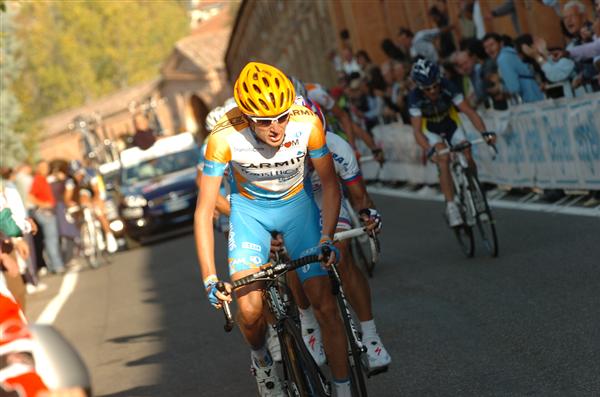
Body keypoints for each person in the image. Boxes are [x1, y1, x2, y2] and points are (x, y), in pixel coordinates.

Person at [194, 62, 351, 396]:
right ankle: (261, 359)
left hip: (298, 210)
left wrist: (327, 236)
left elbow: (329, 182)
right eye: (265, 122)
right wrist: (210, 276)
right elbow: (204, 209)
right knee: (249, 310)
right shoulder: (223, 136)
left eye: (282, 116)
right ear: (248, 118)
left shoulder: (306, 123)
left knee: (324, 303)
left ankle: (344, 388)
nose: (277, 128)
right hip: (250, 216)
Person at [408, 59, 496, 227]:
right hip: (431, 130)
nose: (433, 91)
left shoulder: (448, 86)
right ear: (420, 88)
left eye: (435, 86)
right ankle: (451, 206)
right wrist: (429, 150)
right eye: (428, 89)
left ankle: (476, 191)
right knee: (443, 159)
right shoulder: (414, 97)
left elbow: (469, 112)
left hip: (451, 124)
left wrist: (484, 133)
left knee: (467, 151)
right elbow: (417, 132)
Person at [64, 160, 118, 254]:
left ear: (82, 170)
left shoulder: (89, 173)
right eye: (75, 174)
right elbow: (67, 197)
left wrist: (95, 202)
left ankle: (109, 235)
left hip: (96, 190)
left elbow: (96, 191)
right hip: (84, 192)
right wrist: (70, 203)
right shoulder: (70, 180)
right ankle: (87, 236)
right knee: (81, 201)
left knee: (99, 211)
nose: (77, 176)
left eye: (79, 173)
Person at [28, 161, 66, 275]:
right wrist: (43, 204)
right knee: (51, 240)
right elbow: (30, 196)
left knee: (50, 239)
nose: (46, 169)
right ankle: (57, 265)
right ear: (38, 168)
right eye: (43, 167)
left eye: (46, 166)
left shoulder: (44, 178)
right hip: (45, 213)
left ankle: (53, 265)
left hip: (48, 212)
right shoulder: (38, 179)